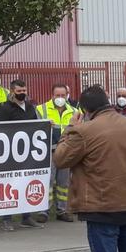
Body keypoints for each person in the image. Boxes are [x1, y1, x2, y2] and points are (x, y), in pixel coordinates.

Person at [54, 85, 126, 252]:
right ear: (107, 102)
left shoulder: (82, 132)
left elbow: (61, 159)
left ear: (84, 110)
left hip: (101, 208)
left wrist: (70, 128)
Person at [0, 80, 43, 230]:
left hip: (28, 152)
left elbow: (37, 125)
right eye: (19, 91)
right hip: (11, 153)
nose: (22, 93)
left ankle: (26, 216)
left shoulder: (31, 107)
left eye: (24, 90)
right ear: (12, 92)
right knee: (9, 184)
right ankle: (6, 218)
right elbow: (1, 130)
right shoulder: (5, 108)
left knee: (26, 182)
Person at [36, 83, 77, 223]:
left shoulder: (74, 111)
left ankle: (62, 210)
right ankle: (44, 210)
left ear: (67, 95)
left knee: (63, 183)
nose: (60, 98)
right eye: (57, 95)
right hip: (48, 151)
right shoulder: (41, 109)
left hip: (66, 152)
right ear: (52, 96)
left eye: (63, 95)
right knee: (47, 181)